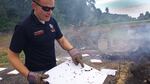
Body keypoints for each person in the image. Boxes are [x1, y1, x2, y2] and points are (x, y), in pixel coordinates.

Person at [7, 0, 84, 84]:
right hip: (36, 73)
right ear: (34, 5)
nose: (50, 12)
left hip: (53, 69)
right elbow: (12, 56)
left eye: (52, 8)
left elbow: (61, 39)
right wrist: (29, 75)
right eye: (46, 8)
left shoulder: (52, 21)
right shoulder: (23, 27)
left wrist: (72, 51)